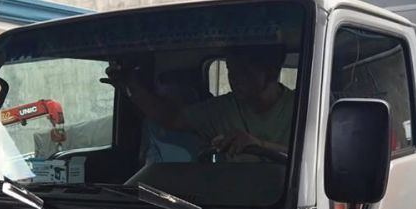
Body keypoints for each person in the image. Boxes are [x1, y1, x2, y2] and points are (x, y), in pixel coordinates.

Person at [106, 45, 293, 162]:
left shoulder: (303, 109)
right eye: (230, 69)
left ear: (271, 71)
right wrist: (131, 85)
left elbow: (316, 164)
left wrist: (259, 145)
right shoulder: (221, 109)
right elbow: (171, 118)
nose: (234, 78)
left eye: (244, 70)